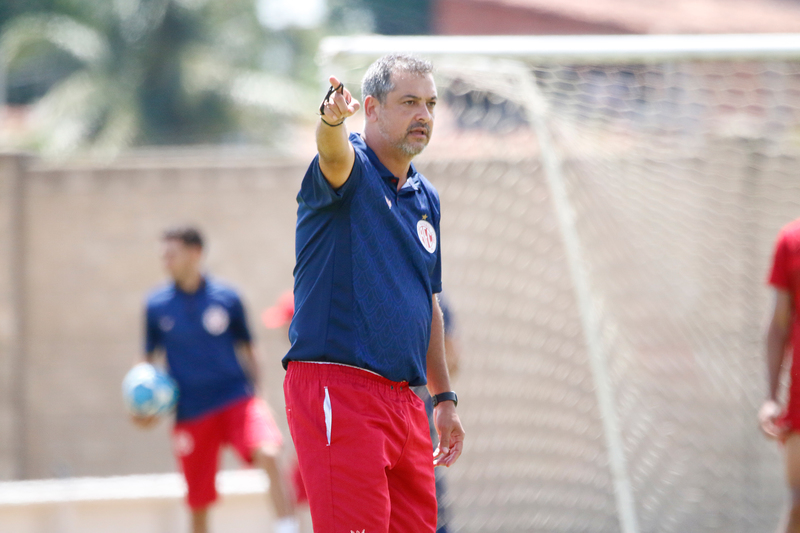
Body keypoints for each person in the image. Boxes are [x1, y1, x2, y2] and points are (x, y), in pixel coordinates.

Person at [282, 54, 465, 533]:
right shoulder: (350, 166)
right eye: (409, 102)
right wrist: (329, 121)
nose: (423, 114)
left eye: (430, 103)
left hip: (406, 402)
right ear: (372, 108)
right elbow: (332, 152)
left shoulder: (427, 198)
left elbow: (429, 302)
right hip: (339, 388)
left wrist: (443, 397)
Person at [131, 226, 298, 533]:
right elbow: (146, 364)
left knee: (270, 451)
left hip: (237, 399)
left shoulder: (228, 297)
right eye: (163, 255)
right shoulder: (156, 306)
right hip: (191, 411)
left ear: (195, 253)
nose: (165, 260)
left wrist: (258, 396)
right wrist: (140, 407)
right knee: (199, 503)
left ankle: (288, 528)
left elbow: (249, 348)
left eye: (172, 253)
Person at [760, 218, 800, 533]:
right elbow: (778, 325)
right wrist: (771, 398)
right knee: (798, 507)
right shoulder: (791, 240)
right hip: (799, 409)